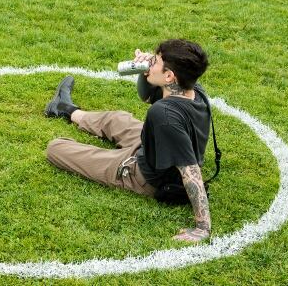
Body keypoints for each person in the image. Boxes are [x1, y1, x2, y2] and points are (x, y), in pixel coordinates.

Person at [45, 39, 212, 243]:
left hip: (144, 175)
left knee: (56, 148)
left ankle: (72, 122)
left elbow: (190, 171)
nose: (150, 62)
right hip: (153, 146)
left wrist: (202, 227)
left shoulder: (164, 116)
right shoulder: (194, 90)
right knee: (117, 119)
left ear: (169, 76)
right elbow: (146, 96)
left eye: (156, 61)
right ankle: (65, 109)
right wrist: (146, 73)